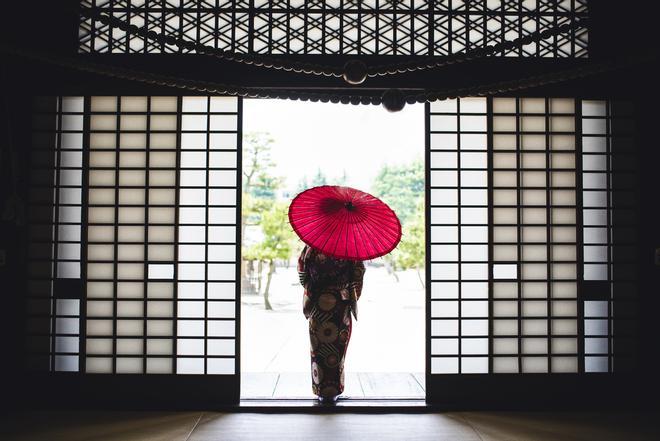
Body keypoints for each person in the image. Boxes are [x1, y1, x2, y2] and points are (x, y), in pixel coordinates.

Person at [297, 244, 365, 403]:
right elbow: (358, 273)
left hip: (318, 305)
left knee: (318, 349)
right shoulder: (350, 245)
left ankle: (321, 391)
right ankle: (333, 391)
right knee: (337, 351)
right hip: (339, 307)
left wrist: (313, 286)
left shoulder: (312, 245)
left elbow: (302, 270)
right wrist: (348, 291)